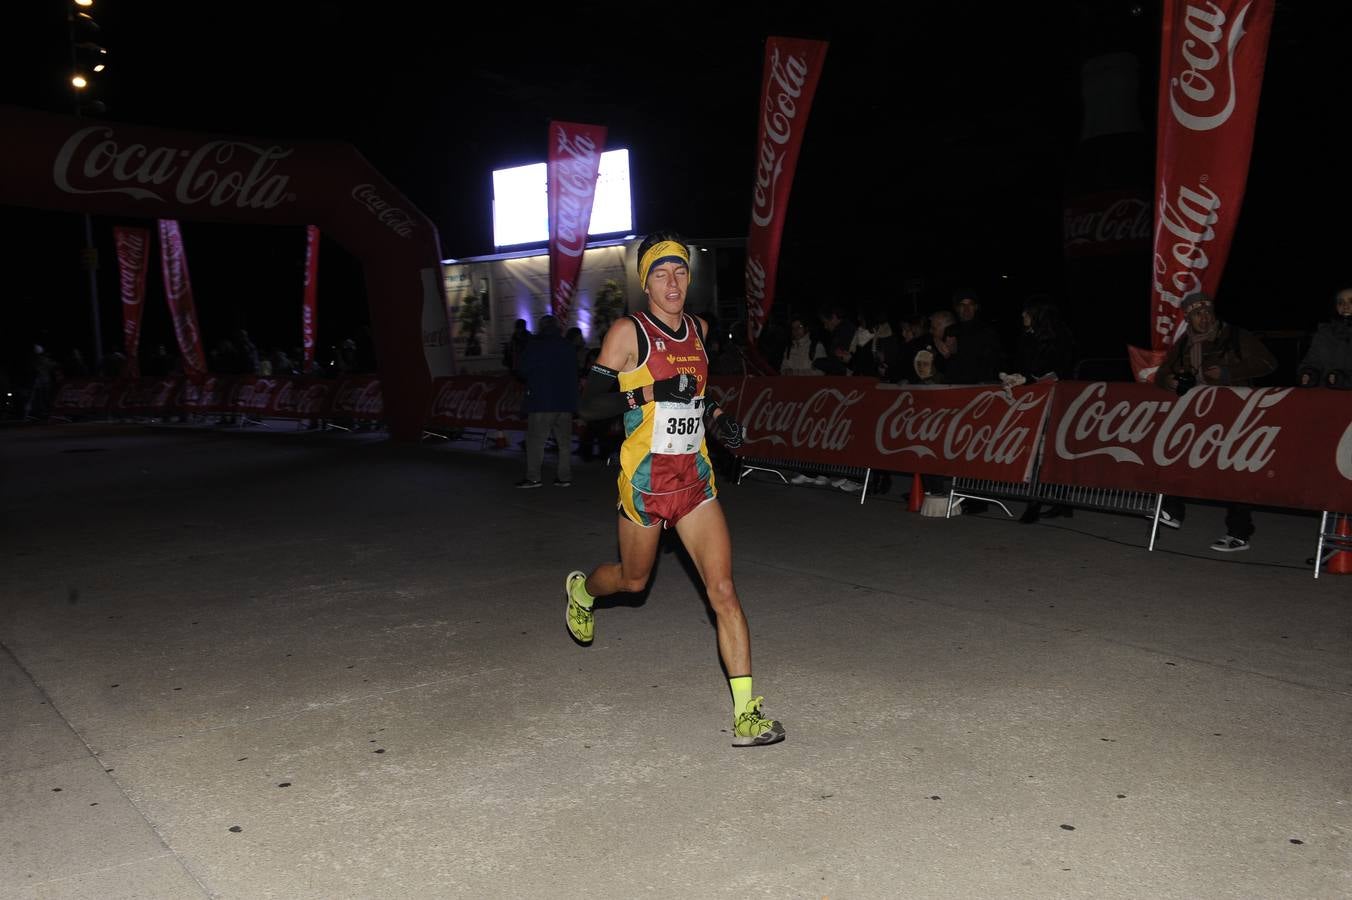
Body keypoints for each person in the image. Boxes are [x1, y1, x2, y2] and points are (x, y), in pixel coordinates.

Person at [567, 230, 785, 747]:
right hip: (645, 484)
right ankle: (581, 591)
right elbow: (591, 406)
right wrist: (652, 388)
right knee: (632, 582)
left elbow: (695, 394)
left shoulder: (699, 329)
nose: (672, 282)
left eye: (680, 272)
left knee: (724, 591)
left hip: (694, 480)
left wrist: (716, 416)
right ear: (646, 283)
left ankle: (747, 715)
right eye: (661, 273)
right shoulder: (629, 332)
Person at [1153, 291, 1277, 552]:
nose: (1205, 317)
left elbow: (1268, 362)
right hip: (1197, 413)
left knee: (1233, 472)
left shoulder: (1234, 335)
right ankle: (1173, 511)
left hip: (1234, 412)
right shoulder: (1185, 343)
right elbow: (1162, 372)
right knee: (1177, 456)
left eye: (1208, 310)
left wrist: (1228, 373)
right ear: (1188, 318)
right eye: (1197, 313)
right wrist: (1169, 381)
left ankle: (1239, 532)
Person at [516, 315, 577, 488]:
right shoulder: (567, 345)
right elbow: (574, 372)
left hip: (541, 400)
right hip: (565, 401)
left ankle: (533, 477)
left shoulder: (535, 345)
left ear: (541, 327)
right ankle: (564, 477)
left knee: (536, 441)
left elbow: (522, 369)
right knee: (564, 443)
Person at [1297, 286, 1352, 389]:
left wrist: (1344, 381)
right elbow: (1311, 362)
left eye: (1351, 301)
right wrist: (1309, 374)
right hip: (1324, 396)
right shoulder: (1324, 333)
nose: (1345, 306)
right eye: (1340, 302)